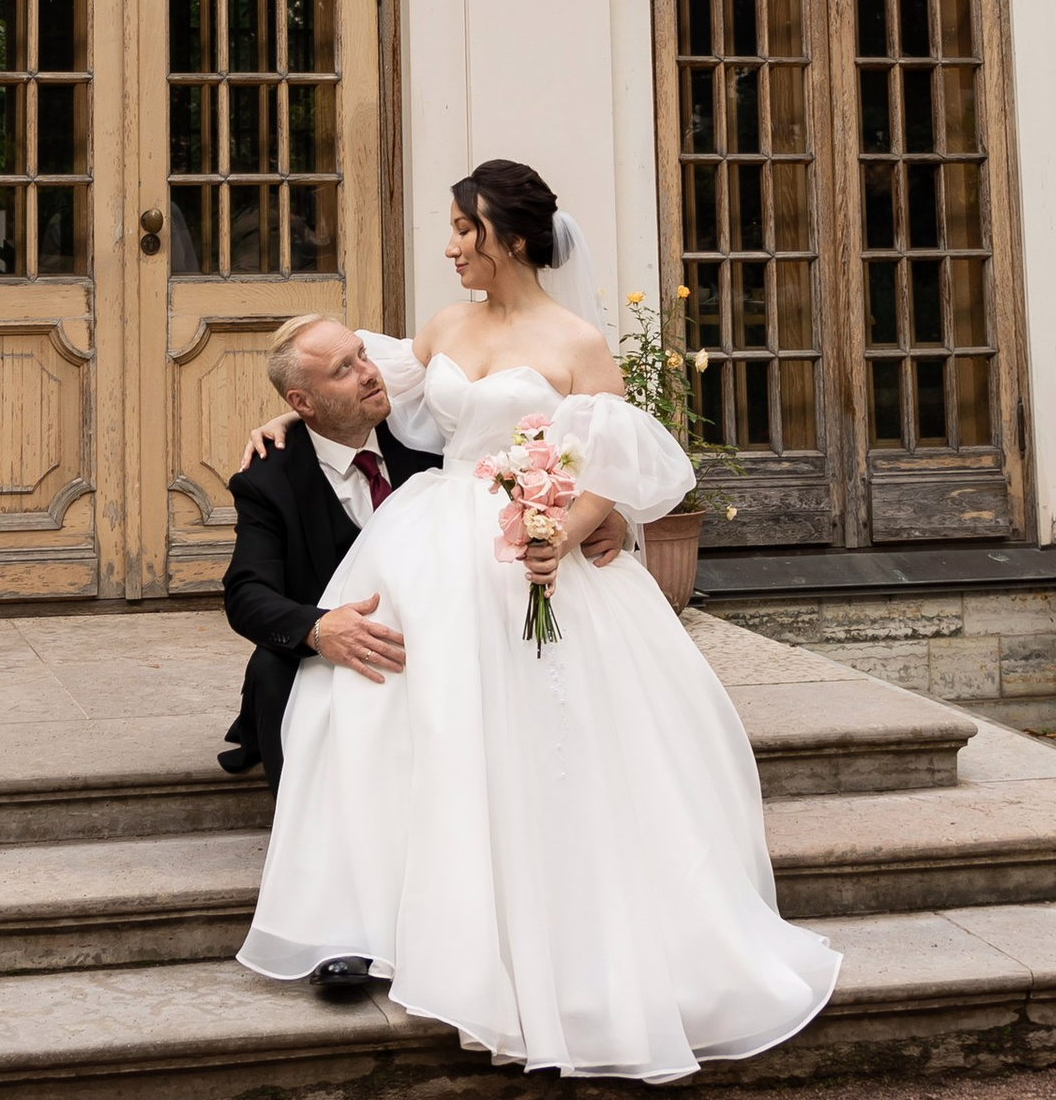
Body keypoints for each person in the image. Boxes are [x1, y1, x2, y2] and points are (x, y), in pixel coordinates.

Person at [231, 159, 841, 1084]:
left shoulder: (576, 342)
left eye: (462, 231)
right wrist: (279, 424)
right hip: (435, 544)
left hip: (534, 556)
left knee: (550, 739)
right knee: (368, 705)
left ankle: (558, 936)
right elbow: (343, 383)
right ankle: (382, 914)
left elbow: (617, 464)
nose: (450, 248)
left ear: (507, 237)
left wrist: (570, 526)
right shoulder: (440, 328)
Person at [220, 316, 627, 797]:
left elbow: (524, 470)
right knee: (271, 670)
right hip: (348, 636)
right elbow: (247, 593)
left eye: (363, 356)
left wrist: (599, 515)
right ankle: (308, 829)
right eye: (343, 370)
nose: (369, 373)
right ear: (302, 403)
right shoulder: (268, 478)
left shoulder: (433, 439)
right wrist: (319, 629)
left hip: (444, 625)